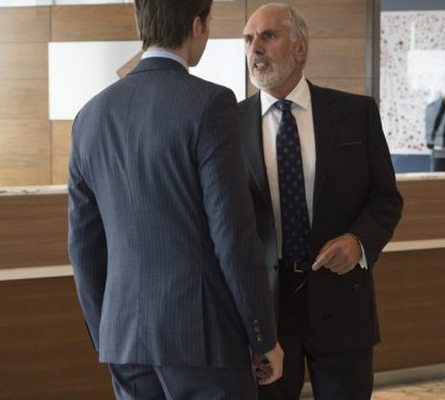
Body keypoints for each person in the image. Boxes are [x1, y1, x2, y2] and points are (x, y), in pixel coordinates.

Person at [67, 0, 283, 398]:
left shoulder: (89, 116)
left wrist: (108, 335)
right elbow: (233, 236)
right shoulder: (210, 104)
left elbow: (83, 247)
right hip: (203, 340)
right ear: (197, 26)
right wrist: (262, 335)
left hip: (124, 340)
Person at [239, 4, 403, 399]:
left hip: (342, 303)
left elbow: (386, 199)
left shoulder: (355, 113)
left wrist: (358, 242)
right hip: (265, 311)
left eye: (268, 36)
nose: (255, 48)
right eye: (248, 39)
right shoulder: (228, 123)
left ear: (300, 48)